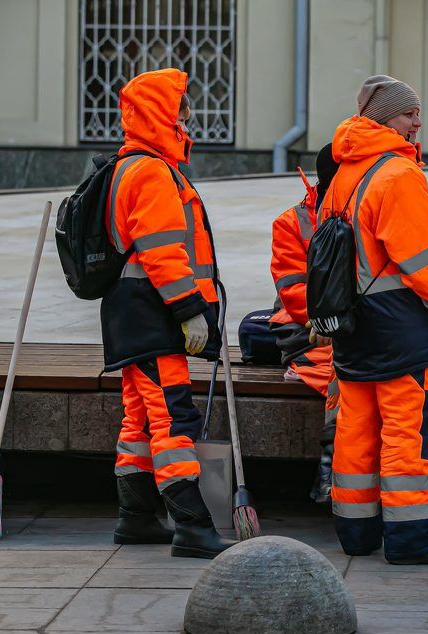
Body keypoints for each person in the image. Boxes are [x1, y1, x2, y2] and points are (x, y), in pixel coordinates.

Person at [321, 75, 428, 565]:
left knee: (355, 428)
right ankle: (410, 538)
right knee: (405, 432)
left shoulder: (345, 173)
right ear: (385, 118)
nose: (417, 122)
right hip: (402, 326)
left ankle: (356, 532)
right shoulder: (398, 176)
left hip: (352, 326)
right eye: (409, 114)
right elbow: (422, 259)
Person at [102, 68, 235, 559]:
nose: (187, 116)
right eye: (180, 107)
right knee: (173, 419)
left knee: (138, 418)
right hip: (155, 315)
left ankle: (135, 517)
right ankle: (193, 525)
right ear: (162, 112)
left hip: (132, 314)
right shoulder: (153, 172)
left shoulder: (131, 165)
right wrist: (189, 311)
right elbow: (162, 251)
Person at [269, 144, 341, 503]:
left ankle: (333, 474)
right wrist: (327, 323)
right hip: (308, 331)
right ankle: (329, 472)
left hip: (348, 328)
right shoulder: (292, 221)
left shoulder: (365, 209)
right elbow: (292, 289)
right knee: (344, 373)